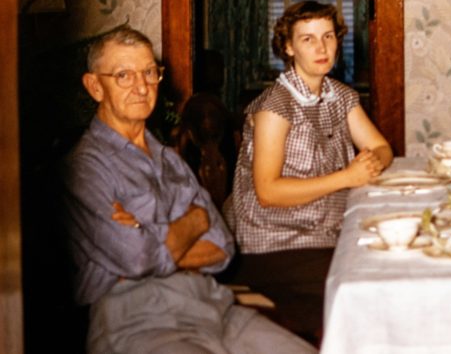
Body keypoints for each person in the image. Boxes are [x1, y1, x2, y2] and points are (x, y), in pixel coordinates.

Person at [64, 25, 315, 354]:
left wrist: (147, 233)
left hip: (214, 307)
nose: (141, 86)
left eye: (150, 73)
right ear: (95, 86)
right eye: (124, 75)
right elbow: (138, 258)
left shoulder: (169, 158)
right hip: (138, 321)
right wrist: (194, 221)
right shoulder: (84, 167)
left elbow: (222, 247)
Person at [229, 0, 393, 342]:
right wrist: (349, 177)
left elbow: (381, 148)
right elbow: (268, 192)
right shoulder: (276, 106)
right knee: (371, 293)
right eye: (308, 39)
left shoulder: (340, 96)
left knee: (391, 263)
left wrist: (370, 162)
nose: (322, 48)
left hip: (328, 230)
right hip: (277, 243)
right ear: (288, 47)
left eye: (329, 36)